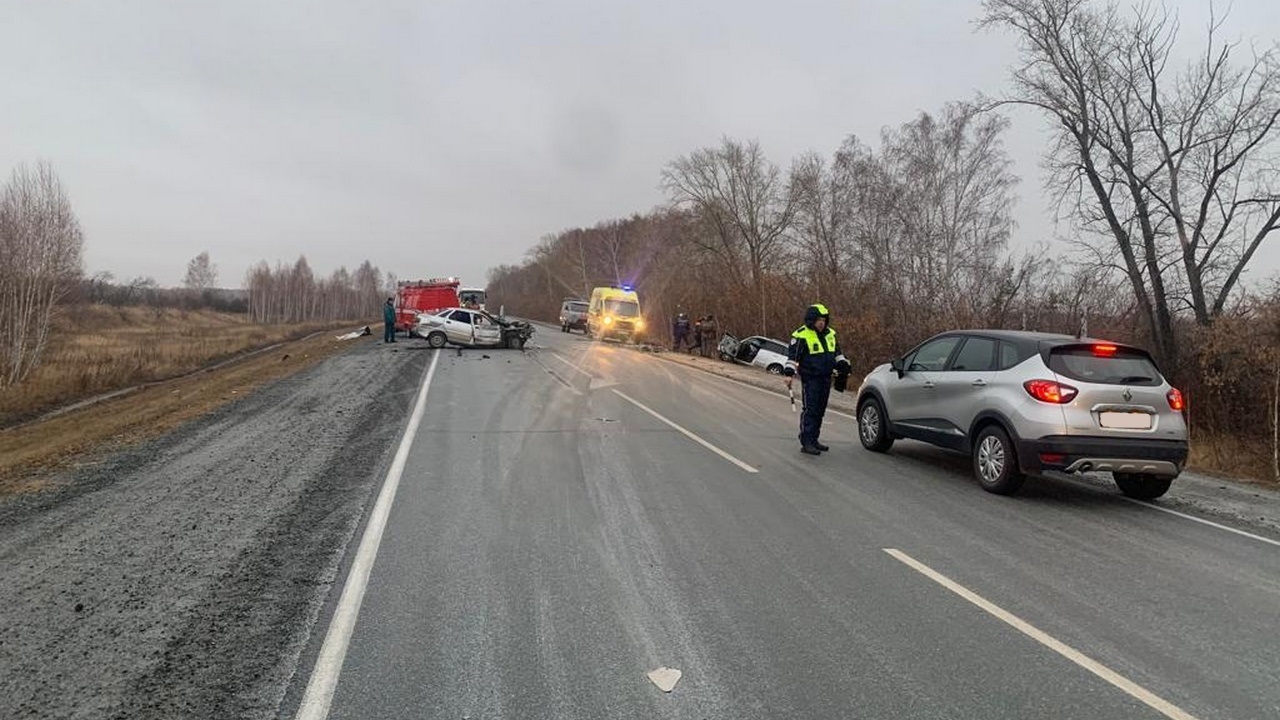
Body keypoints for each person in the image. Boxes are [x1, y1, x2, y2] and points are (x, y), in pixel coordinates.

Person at [783, 303, 850, 455]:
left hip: (826, 377)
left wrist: (842, 364)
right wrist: (788, 373)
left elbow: (837, 352)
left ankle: (814, 439)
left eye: (824, 319)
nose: (821, 322)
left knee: (820, 410)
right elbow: (793, 357)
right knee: (811, 410)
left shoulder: (831, 334)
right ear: (811, 320)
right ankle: (806, 441)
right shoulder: (801, 335)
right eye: (818, 319)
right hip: (810, 378)